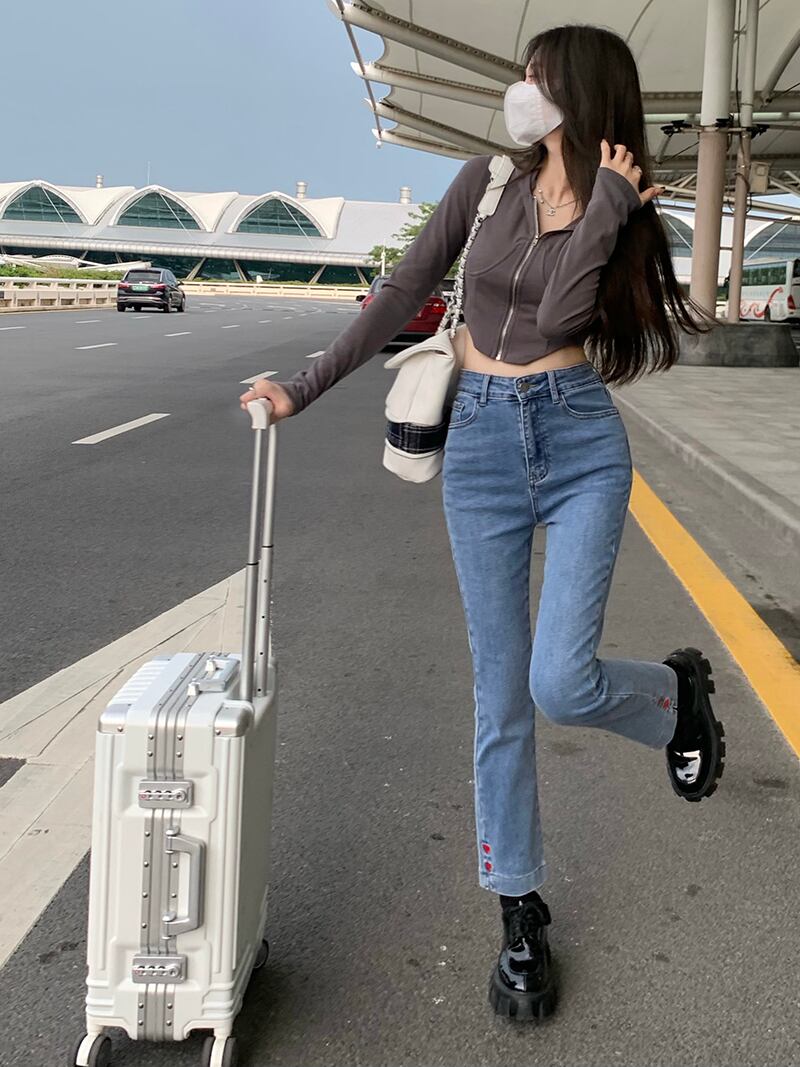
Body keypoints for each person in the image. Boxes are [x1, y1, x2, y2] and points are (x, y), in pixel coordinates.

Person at [239, 23, 726, 1023]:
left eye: (536, 76)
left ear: (578, 92)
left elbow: (559, 320)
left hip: (579, 439)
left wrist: (609, 205)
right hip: (483, 445)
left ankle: (673, 695)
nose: (519, 90)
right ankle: (518, 910)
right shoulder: (485, 184)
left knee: (562, 682)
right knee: (501, 696)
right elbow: (404, 291)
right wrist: (302, 385)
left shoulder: (622, 209)